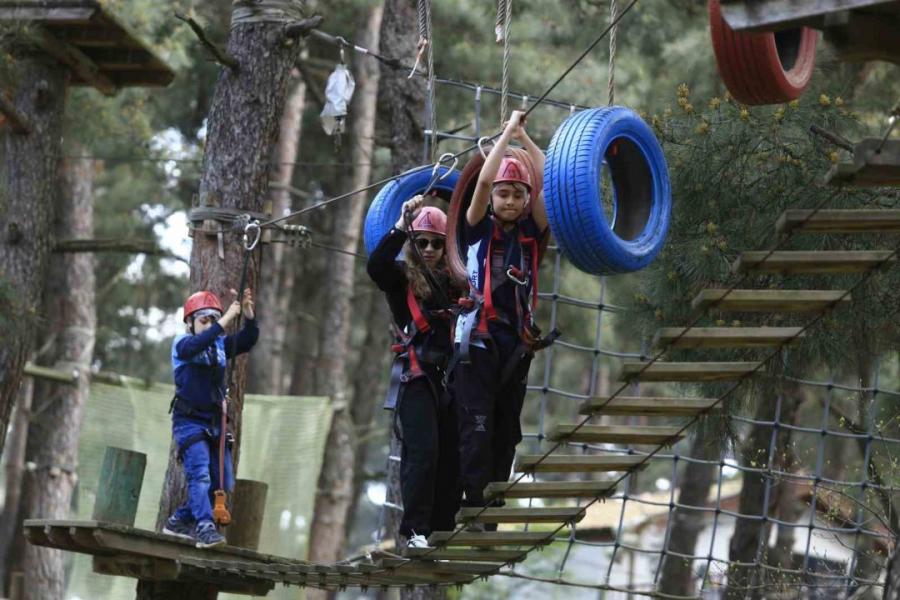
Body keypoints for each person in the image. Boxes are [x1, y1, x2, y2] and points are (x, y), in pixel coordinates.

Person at [450, 110, 552, 528]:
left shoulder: (534, 232)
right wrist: (506, 132)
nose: (509, 200)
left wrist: (525, 141)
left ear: (526, 200)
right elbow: (484, 182)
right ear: (493, 198)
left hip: (516, 343)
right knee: (477, 425)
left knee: (507, 428)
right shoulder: (477, 228)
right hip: (479, 340)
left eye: (517, 194)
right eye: (504, 194)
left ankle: (492, 505)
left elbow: (552, 181)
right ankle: (472, 503)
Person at [366, 197, 462, 549]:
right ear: (412, 244)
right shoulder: (401, 279)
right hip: (417, 376)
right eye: (422, 242)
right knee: (423, 451)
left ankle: (442, 527)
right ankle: (415, 529)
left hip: (449, 379)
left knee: (452, 453)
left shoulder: (456, 282)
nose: (430, 249)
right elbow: (375, 266)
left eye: (437, 243)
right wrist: (403, 224)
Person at [163, 288, 258, 548]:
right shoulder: (182, 345)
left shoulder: (218, 346)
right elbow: (197, 344)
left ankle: (177, 521)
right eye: (204, 320)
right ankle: (204, 528)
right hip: (189, 422)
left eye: (212, 320)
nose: (210, 326)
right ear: (190, 323)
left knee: (222, 481)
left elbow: (248, 340)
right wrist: (226, 319)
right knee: (201, 475)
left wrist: (248, 316)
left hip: (214, 424)